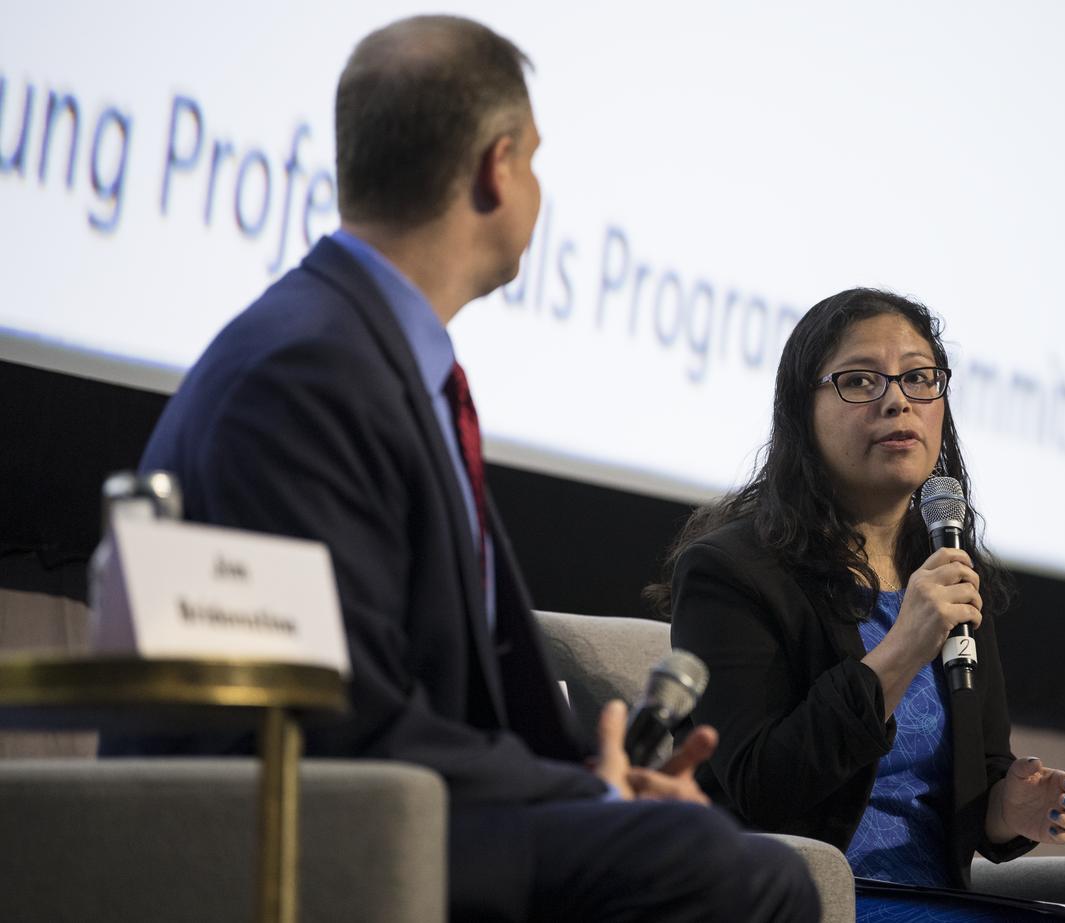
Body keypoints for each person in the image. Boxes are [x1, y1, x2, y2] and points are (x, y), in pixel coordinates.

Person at [101, 15, 819, 923]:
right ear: (498, 165)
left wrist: (600, 783)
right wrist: (581, 802)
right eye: (538, 162)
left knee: (713, 844)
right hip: (307, 826)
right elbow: (346, 716)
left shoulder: (367, 353)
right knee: (750, 878)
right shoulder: (306, 371)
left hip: (402, 801)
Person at [654, 289, 1065, 918]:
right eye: (860, 381)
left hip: (932, 897)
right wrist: (904, 646)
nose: (896, 399)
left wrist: (1009, 809)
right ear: (803, 414)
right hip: (807, 899)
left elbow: (976, 784)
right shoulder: (733, 572)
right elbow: (760, 789)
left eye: (919, 378)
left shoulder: (948, 567)